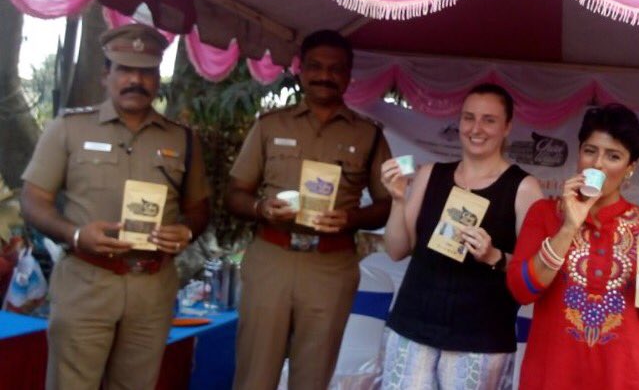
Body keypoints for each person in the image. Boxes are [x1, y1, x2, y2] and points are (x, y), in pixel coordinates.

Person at [20, 23, 210, 390]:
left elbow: (199, 209)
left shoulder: (182, 139)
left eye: (146, 71)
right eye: (124, 69)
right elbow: (33, 200)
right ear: (106, 74)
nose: (135, 80)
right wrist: (76, 234)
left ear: (158, 77)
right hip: (87, 282)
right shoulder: (69, 128)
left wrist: (185, 231)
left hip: (152, 287)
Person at [226, 29, 392, 390]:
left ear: (348, 75)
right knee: (255, 375)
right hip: (272, 258)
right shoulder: (270, 125)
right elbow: (235, 194)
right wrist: (261, 208)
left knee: (313, 378)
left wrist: (351, 218)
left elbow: (386, 206)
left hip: (331, 266)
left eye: (335, 69)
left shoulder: (368, 135)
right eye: (315, 66)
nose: (324, 76)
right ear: (301, 70)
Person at [507, 104, 639, 390]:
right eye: (590, 150)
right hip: (552, 375)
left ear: (630, 167)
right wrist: (569, 226)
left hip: (624, 377)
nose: (597, 164)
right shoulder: (544, 213)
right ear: (579, 153)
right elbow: (521, 291)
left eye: (613, 156)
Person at [379, 83, 544, 390]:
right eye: (469, 118)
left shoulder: (524, 188)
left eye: (488, 120)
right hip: (413, 326)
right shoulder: (431, 174)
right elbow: (396, 250)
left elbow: (534, 272)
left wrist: (494, 256)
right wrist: (398, 200)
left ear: (507, 127)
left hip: (480, 338)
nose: (476, 128)